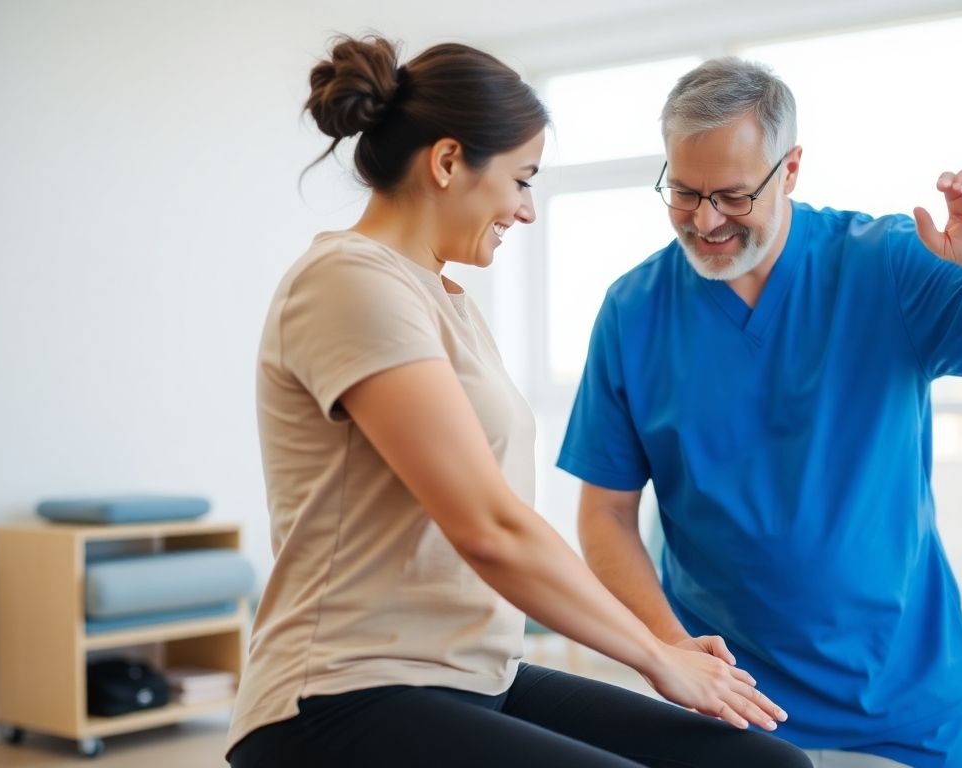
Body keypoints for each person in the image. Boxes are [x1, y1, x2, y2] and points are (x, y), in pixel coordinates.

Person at [224, 36, 813, 768]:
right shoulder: (348, 281)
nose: (527, 210)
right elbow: (489, 527)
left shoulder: (445, 303)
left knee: (767, 765)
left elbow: (505, 522)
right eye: (522, 180)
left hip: (474, 677)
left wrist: (663, 645)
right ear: (447, 162)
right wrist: (654, 655)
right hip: (342, 694)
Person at [557, 58, 962, 768]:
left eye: (732, 196)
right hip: (728, 705)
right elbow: (605, 514)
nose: (705, 220)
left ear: (789, 170)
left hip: (901, 702)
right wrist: (670, 647)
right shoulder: (633, 310)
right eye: (684, 193)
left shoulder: (887, 264)